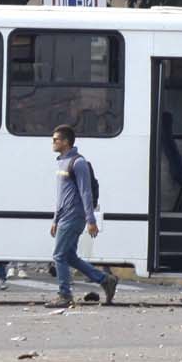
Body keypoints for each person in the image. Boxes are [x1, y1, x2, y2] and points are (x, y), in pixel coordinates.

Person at [48, 124, 117, 308]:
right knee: (70, 256)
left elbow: (86, 192)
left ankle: (64, 295)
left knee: (59, 256)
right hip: (64, 217)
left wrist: (91, 219)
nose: (53, 142)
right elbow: (61, 195)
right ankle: (105, 280)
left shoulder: (78, 163)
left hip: (73, 217)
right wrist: (55, 219)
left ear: (66, 142)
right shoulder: (62, 162)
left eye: (56, 139)